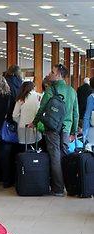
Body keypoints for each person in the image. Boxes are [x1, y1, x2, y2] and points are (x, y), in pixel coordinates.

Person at [31, 64, 79, 196]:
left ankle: (58, 189)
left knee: (55, 156)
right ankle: (68, 185)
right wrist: (74, 132)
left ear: (59, 75)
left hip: (52, 127)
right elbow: (76, 113)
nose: (50, 74)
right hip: (66, 128)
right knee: (64, 155)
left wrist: (35, 122)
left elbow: (42, 109)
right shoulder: (72, 91)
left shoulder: (51, 91)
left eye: (52, 72)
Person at [12, 81, 42, 146]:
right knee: (36, 149)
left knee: (24, 150)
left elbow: (14, 115)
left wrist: (21, 120)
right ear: (33, 87)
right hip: (36, 127)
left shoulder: (21, 99)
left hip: (23, 129)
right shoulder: (39, 96)